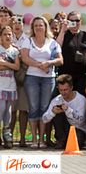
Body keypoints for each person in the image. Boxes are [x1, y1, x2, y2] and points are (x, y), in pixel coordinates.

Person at [21, 16, 63, 149]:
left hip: (48, 79)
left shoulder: (53, 43)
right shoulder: (27, 41)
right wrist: (40, 65)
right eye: (36, 25)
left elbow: (60, 60)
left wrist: (48, 63)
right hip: (32, 78)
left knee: (45, 108)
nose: (39, 27)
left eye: (41, 25)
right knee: (33, 108)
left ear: (46, 27)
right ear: (32, 28)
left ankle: (43, 139)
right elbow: (25, 58)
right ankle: (34, 139)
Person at [42, 74, 86, 149]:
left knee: (77, 143)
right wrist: (52, 112)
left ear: (71, 88)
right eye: (61, 90)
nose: (63, 93)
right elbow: (44, 119)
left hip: (78, 128)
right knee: (58, 114)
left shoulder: (81, 99)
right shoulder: (56, 100)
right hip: (63, 128)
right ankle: (61, 140)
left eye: (65, 90)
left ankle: (80, 141)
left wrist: (68, 110)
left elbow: (80, 121)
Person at [56, 11, 86, 95]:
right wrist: (63, 29)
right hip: (65, 76)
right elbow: (57, 47)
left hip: (82, 76)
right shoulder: (63, 34)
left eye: (77, 20)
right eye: (72, 21)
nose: (75, 23)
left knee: (81, 102)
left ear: (81, 21)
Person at [10, 15, 29, 147]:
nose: (17, 24)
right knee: (11, 110)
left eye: (20, 22)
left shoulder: (28, 39)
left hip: (24, 77)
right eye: (15, 22)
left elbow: (28, 57)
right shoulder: (6, 37)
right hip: (8, 76)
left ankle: (22, 139)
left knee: (23, 109)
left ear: (23, 25)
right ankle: (8, 138)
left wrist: (18, 55)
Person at [0, 26, 20, 149]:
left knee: (8, 110)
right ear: (1, 37)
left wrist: (4, 63)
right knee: (1, 109)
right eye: (5, 34)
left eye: (9, 34)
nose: (8, 36)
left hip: (11, 84)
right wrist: (11, 65)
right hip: (0, 85)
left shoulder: (15, 51)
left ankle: (7, 132)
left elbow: (17, 67)